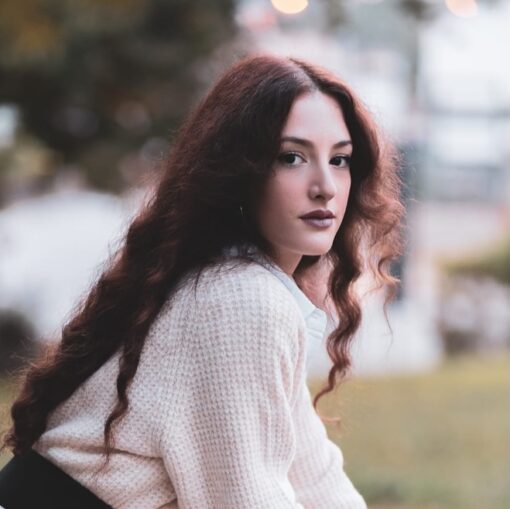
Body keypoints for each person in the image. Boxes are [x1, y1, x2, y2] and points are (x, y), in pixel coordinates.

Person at [0, 53, 403, 508]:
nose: (325, 186)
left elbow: (314, 476)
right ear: (240, 170)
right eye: (292, 157)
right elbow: (244, 501)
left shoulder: (232, 284)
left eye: (340, 160)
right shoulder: (240, 299)